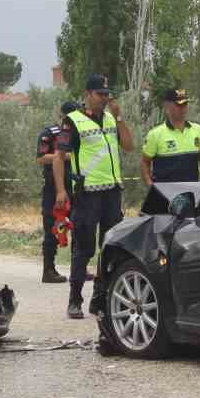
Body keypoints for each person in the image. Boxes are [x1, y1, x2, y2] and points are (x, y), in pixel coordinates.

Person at [53, 74, 135, 320]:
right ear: (87, 94)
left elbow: (129, 146)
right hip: (88, 193)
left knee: (110, 249)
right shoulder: (73, 121)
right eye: (100, 94)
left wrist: (119, 116)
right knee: (84, 248)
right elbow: (59, 157)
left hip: (112, 191)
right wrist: (60, 190)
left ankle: (100, 299)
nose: (105, 99)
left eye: (107, 94)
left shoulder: (111, 118)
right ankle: (74, 300)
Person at [36, 100, 80, 284]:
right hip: (54, 187)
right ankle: (49, 270)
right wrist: (64, 156)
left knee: (80, 227)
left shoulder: (80, 134)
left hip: (77, 185)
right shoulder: (49, 134)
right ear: (62, 116)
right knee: (51, 227)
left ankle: (79, 269)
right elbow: (40, 158)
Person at [141, 88, 200, 186]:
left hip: (190, 192)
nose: (182, 108)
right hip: (164, 194)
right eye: (178, 105)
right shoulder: (155, 134)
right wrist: (151, 186)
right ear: (167, 106)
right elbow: (145, 163)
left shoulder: (197, 130)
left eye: (185, 104)